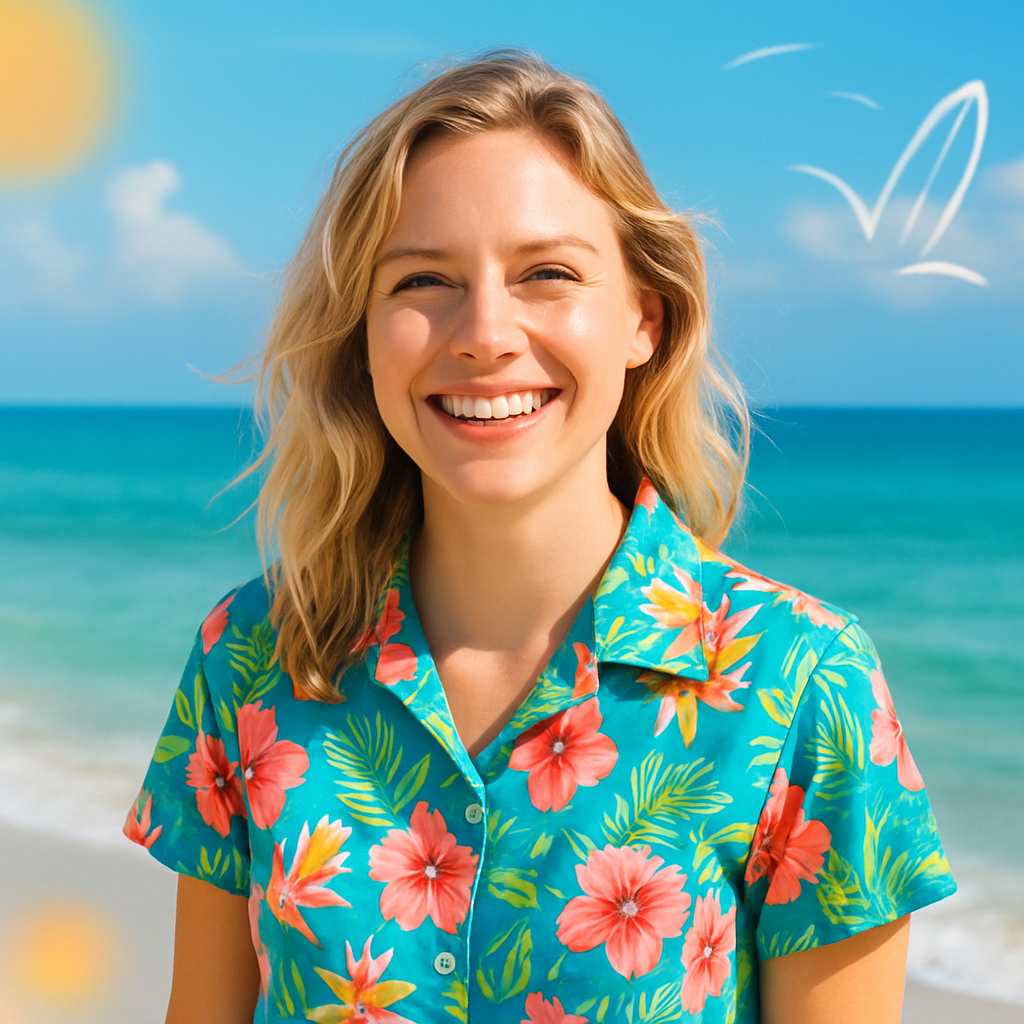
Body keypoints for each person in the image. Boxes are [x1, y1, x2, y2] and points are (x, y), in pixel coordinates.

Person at [124, 51, 956, 1024]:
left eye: (547, 273)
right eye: (422, 279)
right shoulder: (254, 654)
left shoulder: (805, 683)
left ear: (643, 317)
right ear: (362, 330)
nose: (483, 331)